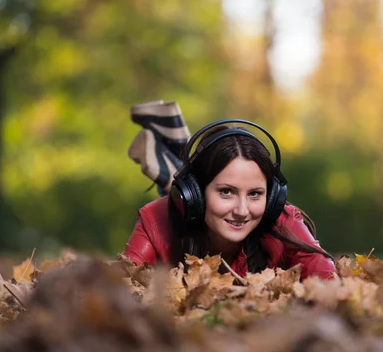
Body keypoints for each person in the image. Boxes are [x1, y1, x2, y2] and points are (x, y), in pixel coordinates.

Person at [121, 118, 336, 280]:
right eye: (226, 191)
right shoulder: (155, 222)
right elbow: (118, 290)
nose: (242, 211)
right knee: (174, 196)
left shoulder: (281, 221)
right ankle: (172, 163)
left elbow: (329, 283)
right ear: (196, 193)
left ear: (271, 198)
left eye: (255, 193)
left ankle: (169, 161)